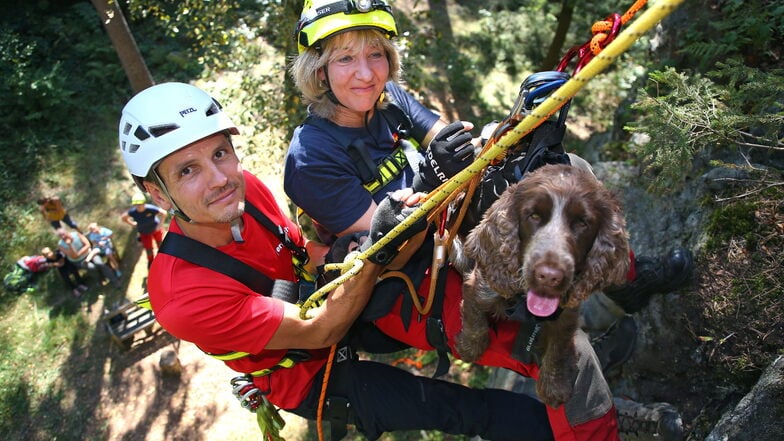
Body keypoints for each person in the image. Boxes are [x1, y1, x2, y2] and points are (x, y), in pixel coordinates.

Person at [285, 1, 693, 439]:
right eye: (345, 58)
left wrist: (516, 129)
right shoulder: (311, 158)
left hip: (447, 230)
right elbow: (388, 247)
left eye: (375, 54)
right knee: (558, 348)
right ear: (318, 70)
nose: (366, 73)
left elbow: (458, 144)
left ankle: (625, 285)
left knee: (565, 177)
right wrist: (431, 175)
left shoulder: (388, 99)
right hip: (403, 284)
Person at [117, 82, 556, 441]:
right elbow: (320, 329)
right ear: (158, 193)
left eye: (220, 153)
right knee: (461, 409)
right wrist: (375, 249)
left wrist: (346, 251)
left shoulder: (244, 190)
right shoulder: (182, 294)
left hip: (331, 302)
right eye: (187, 170)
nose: (219, 179)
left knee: (467, 317)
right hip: (306, 373)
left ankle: (553, 365)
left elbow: (301, 254)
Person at [56, 228, 120, 288]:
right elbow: (73, 256)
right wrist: (69, 245)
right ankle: (100, 279)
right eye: (60, 236)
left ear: (67, 232)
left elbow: (87, 244)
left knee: (99, 263)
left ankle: (114, 280)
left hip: (90, 254)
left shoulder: (76, 235)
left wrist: (78, 253)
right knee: (91, 267)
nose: (63, 237)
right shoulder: (61, 245)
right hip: (79, 261)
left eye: (63, 234)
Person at [120, 192, 167, 268]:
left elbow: (164, 213)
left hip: (155, 229)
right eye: (136, 205)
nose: (139, 206)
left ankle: (164, 259)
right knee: (149, 249)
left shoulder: (150, 208)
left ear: (144, 203)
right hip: (144, 232)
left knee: (160, 245)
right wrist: (132, 224)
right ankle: (151, 263)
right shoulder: (133, 212)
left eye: (140, 204)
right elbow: (123, 217)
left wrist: (160, 225)